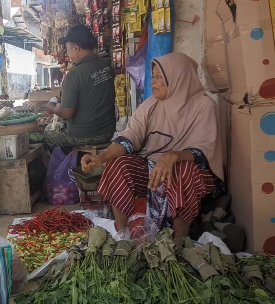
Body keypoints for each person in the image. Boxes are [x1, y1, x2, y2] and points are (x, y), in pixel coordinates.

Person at [81, 53, 225, 244]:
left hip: (190, 173)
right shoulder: (151, 105)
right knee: (118, 164)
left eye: (159, 77)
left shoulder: (204, 106)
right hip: (153, 171)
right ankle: (122, 236)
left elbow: (204, 152)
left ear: (177, 77)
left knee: (183, 171)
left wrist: (173, 156)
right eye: (153, 76)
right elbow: (131, 136)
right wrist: (102, 157)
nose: (153, 82)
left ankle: (179, 239)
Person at [45, 25, 116, 148]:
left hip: (84, 135)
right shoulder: (107, 66)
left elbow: (67, 114)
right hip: (108, 132)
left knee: (48, 131)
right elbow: (91, 93)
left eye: (67, 49)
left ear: (76, 48)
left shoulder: (73, 76)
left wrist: (52, 108)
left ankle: (68, 165)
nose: (67, 54)